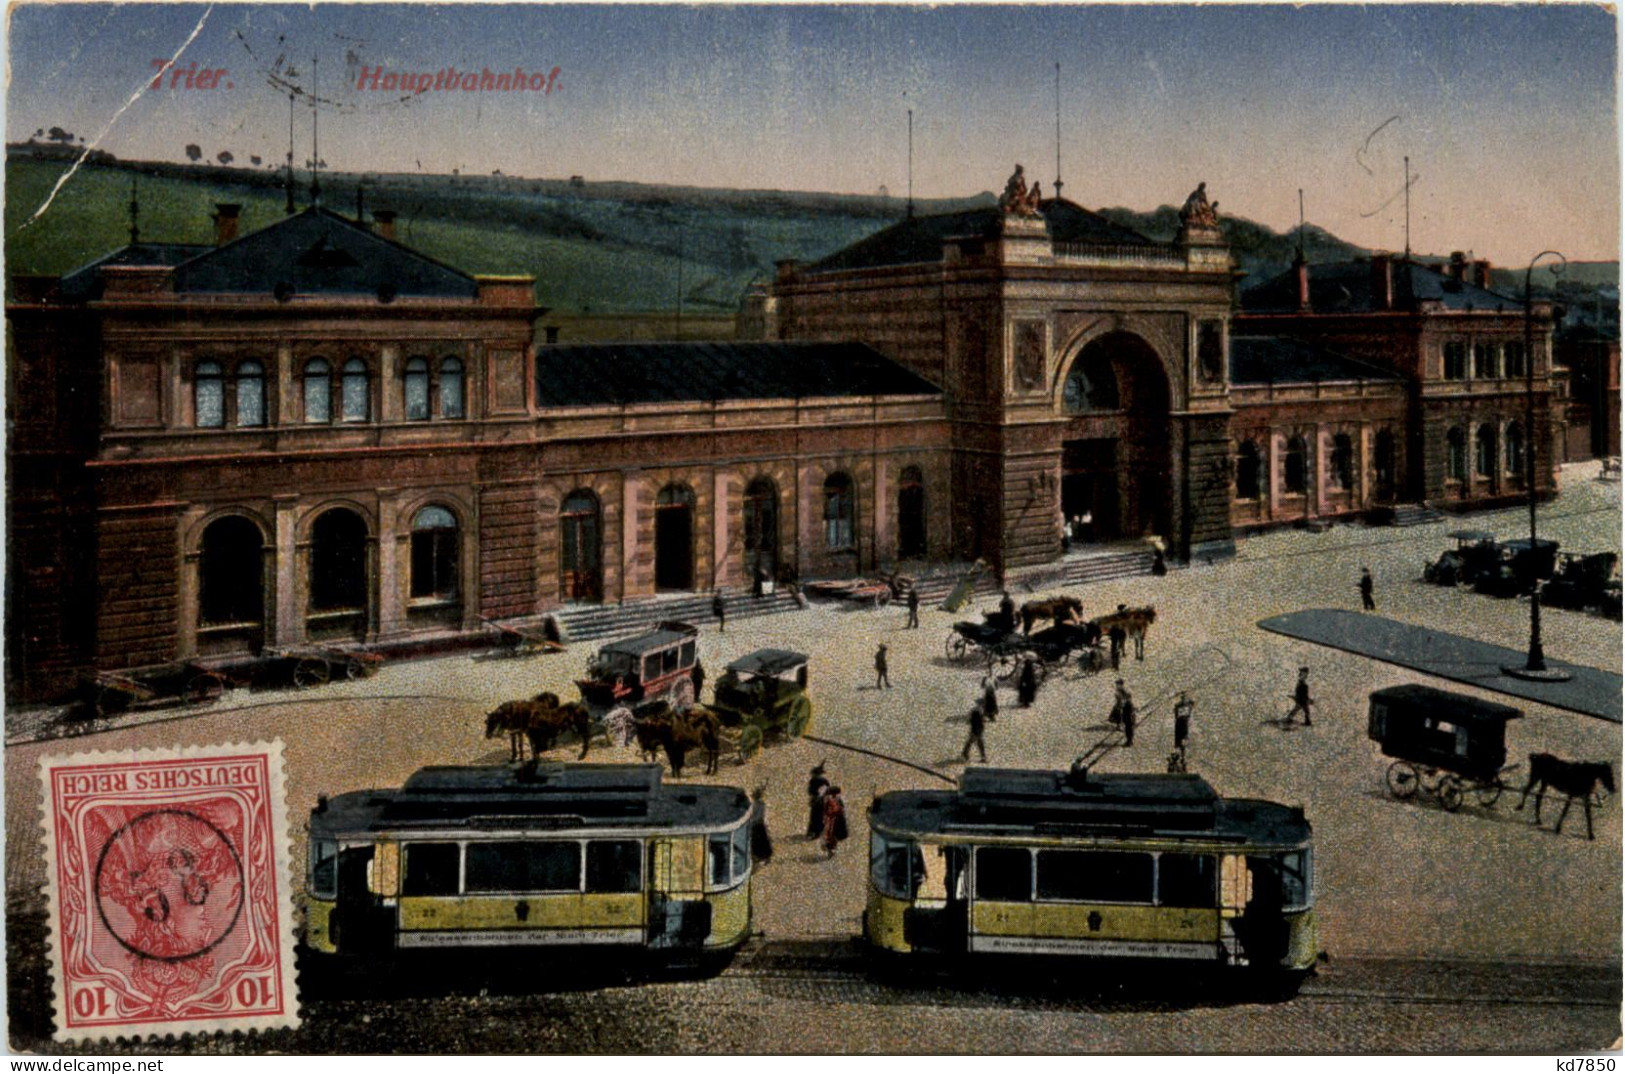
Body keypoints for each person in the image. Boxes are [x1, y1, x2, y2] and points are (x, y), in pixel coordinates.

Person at [749, 785, 774, 864]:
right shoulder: (758, 804)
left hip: (758, 825)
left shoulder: (759, 805)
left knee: (760, 842)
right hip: (758, 824)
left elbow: (761, 816)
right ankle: (761, 857)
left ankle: (762, 857)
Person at [821, 785, 848, 857]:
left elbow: (842, 809)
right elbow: (826, 810)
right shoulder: (830, 801)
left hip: (836, 819)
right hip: (832, 819)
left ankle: (832, 847)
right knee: (830, 834)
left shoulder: (837, 800)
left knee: (833, 834)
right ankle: (830, 847)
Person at [805, 763, 830, 838]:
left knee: (815, 816)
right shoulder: (824, 781)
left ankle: (814, 832)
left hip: (817, 801)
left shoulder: (814, 780)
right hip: (822, 801)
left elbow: (811, 791)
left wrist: (815, 798)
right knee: (820, 816)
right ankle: (819, 831)